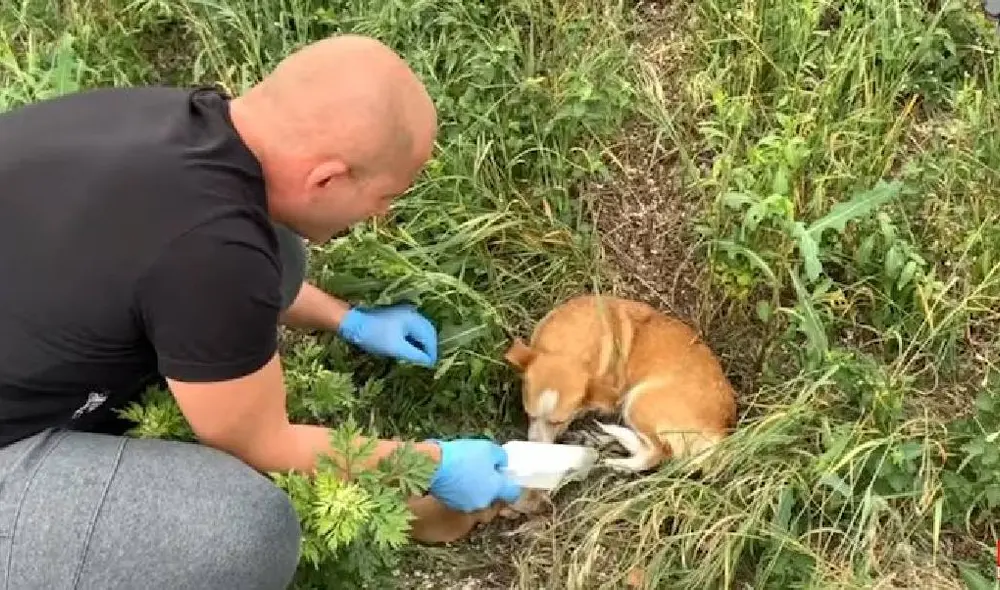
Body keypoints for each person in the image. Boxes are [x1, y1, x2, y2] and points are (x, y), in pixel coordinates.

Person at [0, 34, 522, 589]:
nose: (382, 215)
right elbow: (258, 442)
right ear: (327, 178)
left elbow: (188, 262)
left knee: (278, 245)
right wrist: (430, 464)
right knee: (245, 533)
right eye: (386, 197)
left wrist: (347, 319)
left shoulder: (180, 121)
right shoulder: (212, 253)